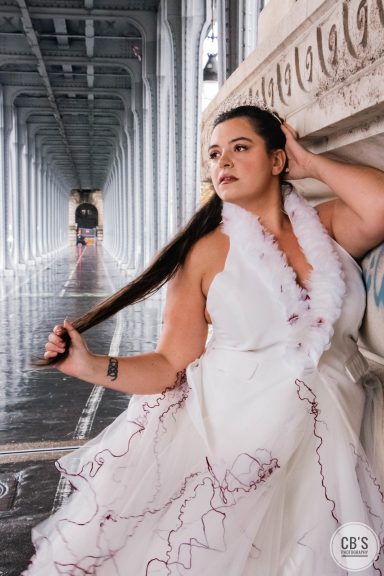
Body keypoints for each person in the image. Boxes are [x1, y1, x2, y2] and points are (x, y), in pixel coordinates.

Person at [24, 98, 384, 575]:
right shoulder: (203, 257)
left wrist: (311, 162)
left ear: (278, 160)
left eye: (239, 148)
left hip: (344, 431)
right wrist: (91, 367)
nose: (223, 163)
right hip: (242, 446)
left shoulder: (329, 225)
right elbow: (170, 365)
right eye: (214, 155)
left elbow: (380, 203)